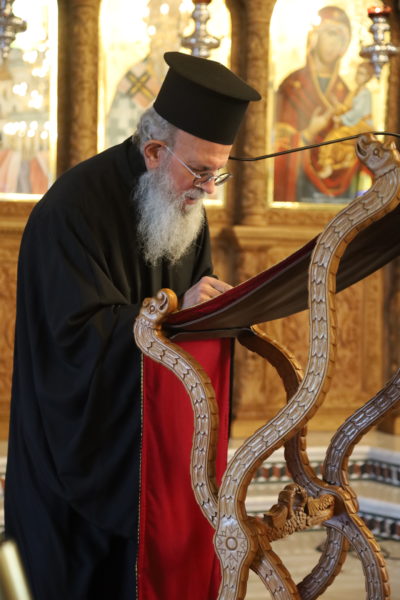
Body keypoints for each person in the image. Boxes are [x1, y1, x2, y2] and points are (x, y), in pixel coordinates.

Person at [4, 51, 261, 600]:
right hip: (75, 464)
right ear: (155, 151)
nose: (209, 189)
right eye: (201, 171)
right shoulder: (70, 209)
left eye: (218, 172)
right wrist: (174, 311)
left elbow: (193, 310)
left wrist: (210, 312)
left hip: (153, 457)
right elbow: (73, 340)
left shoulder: (184, 205)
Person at [274, 5, 358, 203]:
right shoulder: (292, 86)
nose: (334, 43)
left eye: (341, 38)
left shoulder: (346, 93)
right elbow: (275, 145)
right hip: (298, 187)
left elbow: (356, 146)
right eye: (330, 34)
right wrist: (310, 132)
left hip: (340, 196)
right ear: (315, 37)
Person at [318, 61, 374, 179]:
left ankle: (328, 165)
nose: (358, 76)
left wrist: (341, 118)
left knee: (335, 136)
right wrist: (337, 106)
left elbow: (357, 113)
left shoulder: (365, 93)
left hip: (362, 125)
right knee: (332, 134)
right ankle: (329, 163)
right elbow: (347, 108)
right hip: (354, 123)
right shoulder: (354, 92)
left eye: (362, 74)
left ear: (368, 77)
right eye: (358, 73)